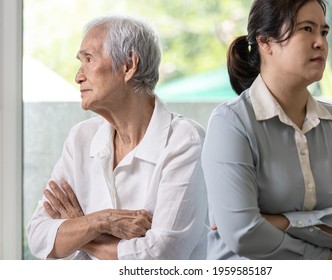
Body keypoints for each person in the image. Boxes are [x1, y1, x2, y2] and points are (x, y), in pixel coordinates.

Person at [202, 0, 332, 260]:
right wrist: (321, 253)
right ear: (265, 41)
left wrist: (282, 221)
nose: (320, 42)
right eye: (306, 29)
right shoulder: (231, 123)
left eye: (323, 31)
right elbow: (243, 234)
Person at [26, 15, 208, 260]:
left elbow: (161, 257)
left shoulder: (185, 141)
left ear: (129, 65)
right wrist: (103, 221)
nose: (78, 76)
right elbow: (39, 237)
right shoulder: (81, 137)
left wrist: (80, 231)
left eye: (88, 59)